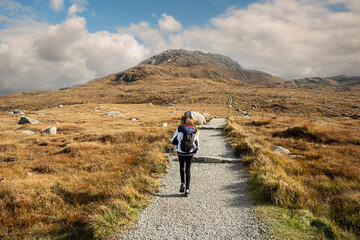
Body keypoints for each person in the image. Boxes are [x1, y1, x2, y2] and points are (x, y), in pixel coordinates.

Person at [171, 116, 199, 197]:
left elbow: (173, 141)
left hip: (180, 152)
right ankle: (187, 189)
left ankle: (182, 184)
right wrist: (194, 151)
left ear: (182, 121)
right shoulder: (194, 129)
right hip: (190, 152)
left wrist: (179, 144)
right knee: (188, 169)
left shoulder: (179, 128)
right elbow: (197, 142)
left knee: (181, 167)